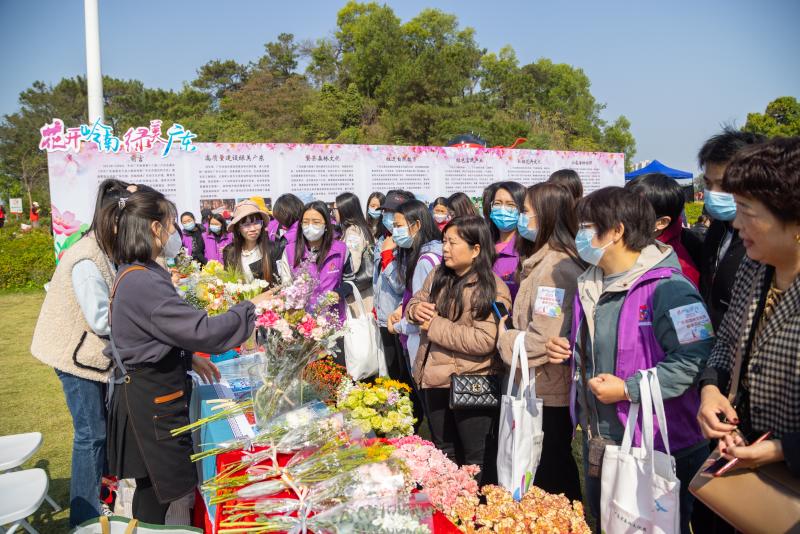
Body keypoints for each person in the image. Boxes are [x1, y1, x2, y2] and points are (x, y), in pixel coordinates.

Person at [546, 187, 713, 534]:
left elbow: (693, 360)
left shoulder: (670, 287)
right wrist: (569, 351)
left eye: (587, 227)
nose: (580, 236)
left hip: (660, 444)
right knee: (609, 522)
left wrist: (628, 389)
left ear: (617, 230)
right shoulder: (590, 284)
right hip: (603, 438)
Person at [102, 188, 269, 524]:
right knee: (163, 492)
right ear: (153, 228)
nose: (174, 232)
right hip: (150, 402)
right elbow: (201, 330)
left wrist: (187, 357)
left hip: (148, 392)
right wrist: (251, 309)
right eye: (170, 223)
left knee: (156, 488)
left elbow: (155, 332)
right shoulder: (142, 281)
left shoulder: (140, 271)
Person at [697, 137, 800, 482]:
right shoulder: (755, 267)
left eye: (747, 211)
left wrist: (783, 449)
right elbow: (727, 341)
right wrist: (711, 388)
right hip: (742, 461)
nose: (737, 224)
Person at [30, 179, 132, 527]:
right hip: (73, 356)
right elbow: (102, 318)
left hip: (87, 352)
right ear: (113, 222)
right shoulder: (87, 258)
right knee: (91, 434)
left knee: (98, 430)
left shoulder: (104, 249)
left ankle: (100, 492)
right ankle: (84, 516)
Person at [407, 215, 511, 485]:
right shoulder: (438, 275)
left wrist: (434, 324)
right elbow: (416, 301)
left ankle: (478, 514)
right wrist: (415, 310)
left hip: (471, 383)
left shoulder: (492, 288)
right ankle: (450, 510)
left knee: (475, 459)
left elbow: (485, 340)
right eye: (444, 241)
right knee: (444, 452)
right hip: (434, 380)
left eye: (453, 243)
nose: (445, 249)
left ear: (476, 250)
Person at [496, 183, 585, 501]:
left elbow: (542, 341)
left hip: (547, 391)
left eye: (524, 211)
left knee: (550, 477)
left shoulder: (554, 271)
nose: (520, 218)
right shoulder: (542, 262)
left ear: (546, 217)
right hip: (540, 387)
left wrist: (503, 335)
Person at [698, 127, 767, 329]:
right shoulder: (717, 228)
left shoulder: (765, 243)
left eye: (724, 185)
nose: (713, 193)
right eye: (708, 184)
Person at [385, 199, 443, 424]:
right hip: (432, 345)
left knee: (433, 416)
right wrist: (402, 307)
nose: (394, 231)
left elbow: (423, 312)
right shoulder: (436, 252)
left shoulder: (424, 261)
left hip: (421, 345)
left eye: (399, 226)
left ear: (416, 225)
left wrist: (397, 326)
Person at [373, 190, 417, 386]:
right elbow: (378, 281)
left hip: (401, 319)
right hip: (384, 318)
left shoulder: (408, 246)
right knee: (393, 373)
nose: (389, 217)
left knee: (407, 376)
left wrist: (388, 257)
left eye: (394, 212)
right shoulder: (383, 241)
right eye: (386, 212)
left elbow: (401, 286)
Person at [625, 173, 701, 286]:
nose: (620, 214)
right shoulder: (630, 244)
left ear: (661, 223)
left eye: (633, 210)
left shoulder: (678, 274)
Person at [279, 200, 349, 321]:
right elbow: (286, 286)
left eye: (316, 222)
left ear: (326, 224)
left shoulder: (341, 250)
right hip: (302, 324)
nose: (310, 226)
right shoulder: (290, 251)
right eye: (305, 222)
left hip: (334, 321)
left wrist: (338, 293)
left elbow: (350, 280)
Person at [483, 181, 527, 300]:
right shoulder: (483, 246)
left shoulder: (526, 251)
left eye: (510, 205)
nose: (503, 209)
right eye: (497, 203)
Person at [223, 200, 279, 284]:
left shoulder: (273, 249)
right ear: (238, 227)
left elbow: (280, 283)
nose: (253, 229)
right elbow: (228, 284)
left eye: (257, 223)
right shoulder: (229, 251)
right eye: (246, 224)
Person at [334, 192, 374, 278]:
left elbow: (354, 264)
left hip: (357, 288)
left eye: (335, 209)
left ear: (344, 210)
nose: (334, 212)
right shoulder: (357, 227)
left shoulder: (353, 232)